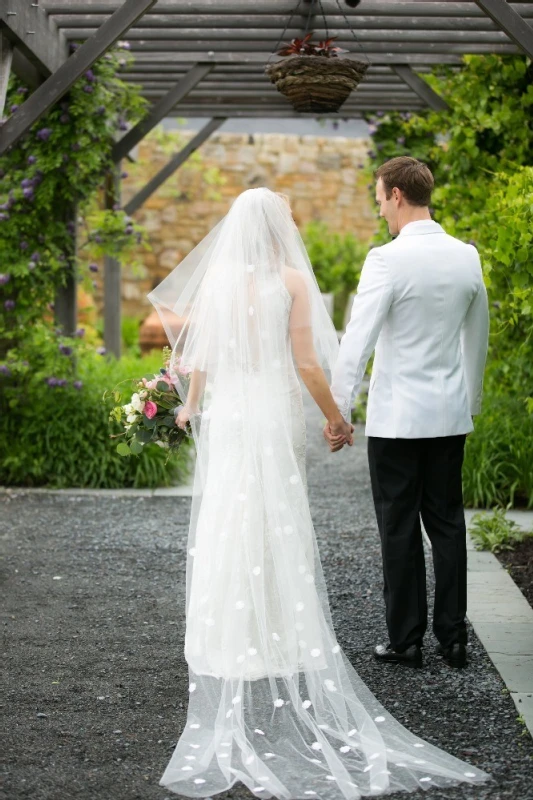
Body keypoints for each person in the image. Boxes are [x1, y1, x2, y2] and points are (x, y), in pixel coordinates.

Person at [148, 187, 490, 798]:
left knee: (229, 515)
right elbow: (308, 363)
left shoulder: (220, 281)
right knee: (279, 515)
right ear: (278, 227)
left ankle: (227, 634)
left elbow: (199, 356)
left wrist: (192, 407)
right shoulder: (290, 281)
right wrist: (335, 415)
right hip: (281, 413)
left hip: (229, 416)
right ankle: (296, 629)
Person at [327, 157, 490, 671]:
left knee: (398, 526)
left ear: (397, 195)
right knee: (446, 524)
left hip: (398, 421)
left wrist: (339, 410)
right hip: (447, 416)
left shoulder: (386, 260)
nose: (380, 211)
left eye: (380, 200)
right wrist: (470, 402)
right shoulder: (467, 257)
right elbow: (476, 339)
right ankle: (453, 637)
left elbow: (358, 339)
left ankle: (406, 640)